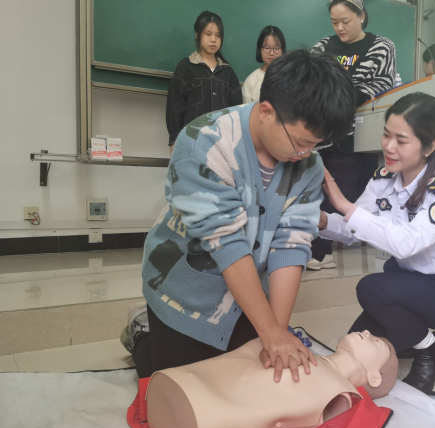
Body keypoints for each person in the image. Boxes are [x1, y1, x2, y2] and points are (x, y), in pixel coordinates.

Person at [120, 50, 358, 384]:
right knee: (178, 386)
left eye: (316, 146)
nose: (305, 154)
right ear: (267, 112)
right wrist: (269, 332)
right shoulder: (204, 142)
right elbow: (226, 242)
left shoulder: (308, 164)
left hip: (248, 295)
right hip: (185, 297)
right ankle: (144, 334)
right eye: (301, 143)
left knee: (252, 379)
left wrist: (275, 331)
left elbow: (291, 244)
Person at [318, 93, 435, 392]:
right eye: (386, 135)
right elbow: (353, 229)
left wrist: (343, 204)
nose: (389, 147)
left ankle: (431, 350)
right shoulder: (383, 180)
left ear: (429, 146)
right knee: (354, 347)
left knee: (371, 288)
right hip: (409, 284)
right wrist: (320, 221)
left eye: (401, 140)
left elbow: (406, 244)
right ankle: (410, 340)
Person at [147, 333, 398, 428]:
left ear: (374, 377)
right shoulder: (293, 347)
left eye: (376, 342)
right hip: (181, 385)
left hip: (199, 418)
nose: (367, 332)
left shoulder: (342, 397)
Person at [309, 0, 396, 271]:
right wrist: (342, 91)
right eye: (334, 22)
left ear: (361, 16)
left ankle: (321, 252)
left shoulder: (381, 47)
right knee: (311, 192)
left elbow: (377, 88)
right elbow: (310, 85)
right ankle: (309, 248)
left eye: (345, 21)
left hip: (357, 138)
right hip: (318, 136)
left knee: (342, 193)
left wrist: (334, 91)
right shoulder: (322, 46)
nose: (339, 28)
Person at [166, 11, 243, 155]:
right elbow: (175, 107)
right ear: (197, 34)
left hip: (222, 148)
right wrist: (174, 141)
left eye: (218, 35)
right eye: (208, 34)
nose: (213, 39)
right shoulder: (185, 68)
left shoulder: (228, 73)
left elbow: (237, 114)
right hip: (191, 145)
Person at [243, 26, 287, 104]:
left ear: (282, 50)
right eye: (267, 48)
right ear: (260, 50)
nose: (272, 53)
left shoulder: (290, 78)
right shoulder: (251, 81)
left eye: (276, 48)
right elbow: (246, 110)